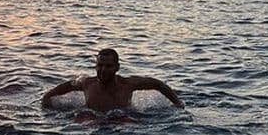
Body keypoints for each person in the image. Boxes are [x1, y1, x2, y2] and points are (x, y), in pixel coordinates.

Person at [42, 48, 184, 111]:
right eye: (100, 65)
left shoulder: (128, 84)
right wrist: (47, 99)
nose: (103, 70)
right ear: (96, 66)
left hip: (122, 120)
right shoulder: (86, 83)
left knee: (127, 122)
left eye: (108, 66)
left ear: (117, 67)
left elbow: (157, 84)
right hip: (93, 121)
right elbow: (62, 88)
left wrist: (177, 103)